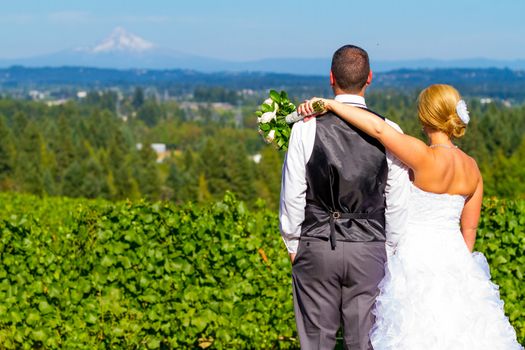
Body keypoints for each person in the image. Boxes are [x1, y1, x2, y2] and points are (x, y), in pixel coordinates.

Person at [298, 84, 523, 349]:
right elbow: (469, 230)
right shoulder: (472, 168)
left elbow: (379, 129)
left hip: (412, 260)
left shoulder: (424, 156)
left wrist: (334, 105)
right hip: (456, 263)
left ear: (424, 117)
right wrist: (457, 270)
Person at [279, 44, 410, 350]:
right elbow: (398, 200)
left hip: (316, 243)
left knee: (316, 341)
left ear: (331, 78)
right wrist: (389, 248)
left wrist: (293, 243)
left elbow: (293, 192)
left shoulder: (305, 128)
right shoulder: (390, 131)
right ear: (370, 78)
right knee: (365, 342)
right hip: (370, 247)